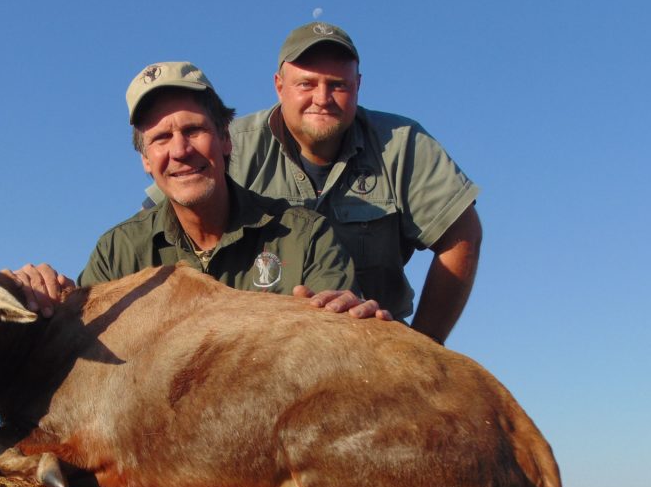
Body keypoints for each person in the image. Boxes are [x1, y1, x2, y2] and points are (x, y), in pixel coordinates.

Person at [142, 23, 482, 343]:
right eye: (306, 84)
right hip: (248, 352)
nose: (322, 98)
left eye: (338, 85)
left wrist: (423, 347)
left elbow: (462, 234)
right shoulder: (228, 146)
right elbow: (157, 224)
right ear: (279, 85)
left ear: (358, 86)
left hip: (371, 346)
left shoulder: (403, 144)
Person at [13, 61, 389, 320]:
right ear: (145, 160)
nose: (180, 151)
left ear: (226, 138)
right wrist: (31, 294)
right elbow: (76, 348)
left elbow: (338, 342)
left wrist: (350, 323)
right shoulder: (117, 255)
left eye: (193, 131)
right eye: (161, 138)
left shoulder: (305, 236)